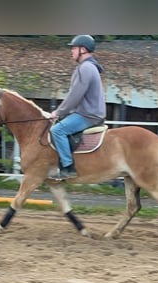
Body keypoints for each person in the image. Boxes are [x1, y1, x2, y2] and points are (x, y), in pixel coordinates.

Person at [49, 35, 106, 179]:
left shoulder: (85, 68)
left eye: (74, 48)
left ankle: (68, 167)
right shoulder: (89, 67)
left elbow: (75, 95)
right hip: (88, 112)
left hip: (88, 114)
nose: (72, 51)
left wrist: (58, 112)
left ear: (83, 49)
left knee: (57, 130)